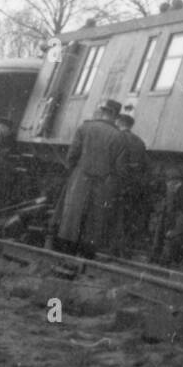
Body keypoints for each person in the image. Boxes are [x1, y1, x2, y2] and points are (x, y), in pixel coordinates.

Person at [53, 99, 128, 256]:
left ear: (102, 112)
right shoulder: (120, 137)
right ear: (116, 116)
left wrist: (74, 172)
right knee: (94, 221)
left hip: (79, 179)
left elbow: (72, 156)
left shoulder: (84, 128)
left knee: (71, 217)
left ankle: (65, 253)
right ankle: (85, 256)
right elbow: (121, 170)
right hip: (103, 184)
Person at [115, 104, 152, 255]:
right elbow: (146, 165)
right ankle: (126, 247)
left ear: (119, 123)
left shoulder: (117, 137)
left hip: (119, 182)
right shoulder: (139, 141)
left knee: (116, 215)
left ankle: (115, 247)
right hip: (135, 184)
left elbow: (117, 162)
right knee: (129, 217)